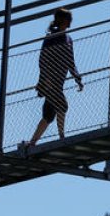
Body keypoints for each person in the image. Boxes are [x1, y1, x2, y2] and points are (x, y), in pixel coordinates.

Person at [28, 8, 84, 147]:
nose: (70, 22)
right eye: (68, 19)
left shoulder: (68, 39)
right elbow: (43, 59)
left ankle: (33, 143)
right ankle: (61, 137)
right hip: (50, 81)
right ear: (62, 20)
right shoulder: (51, 37)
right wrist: (46, 79)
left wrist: (77, 77)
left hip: (59, 81)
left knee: (49, 115)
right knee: (62, 106)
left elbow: (71, 60)